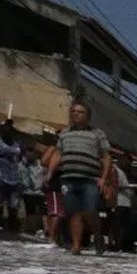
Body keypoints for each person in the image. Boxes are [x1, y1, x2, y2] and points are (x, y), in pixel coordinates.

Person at [50, 101, 111, 255]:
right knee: (73, 212)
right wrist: (50, 171)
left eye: (80, 112)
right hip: (68, 178)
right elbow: (57, 154)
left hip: (90, 179)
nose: (75, 114)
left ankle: (98, 236)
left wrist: (104, 178)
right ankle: (76, 245)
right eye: (73, 111)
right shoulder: (64, 133)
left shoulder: (97, 134)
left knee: (90, 211)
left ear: (88, 116)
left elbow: (106, 157)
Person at [0, 121, 22, 233]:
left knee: (13, 204)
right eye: (6, 130)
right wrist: (2, 155)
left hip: (14, 178)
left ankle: (12, 228)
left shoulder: (17, 144)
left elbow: (20, 158)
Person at [21, 148, 47, 233]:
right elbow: (23, 180)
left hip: (40, 192)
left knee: (43, 212)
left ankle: (45, 230)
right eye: (28, 154)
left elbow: (44, 175)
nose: (30, 156)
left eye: (32, 153)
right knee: (30, 212)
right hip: (28, 192)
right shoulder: (22, 165)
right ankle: (30, 230)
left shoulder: (41, 165)